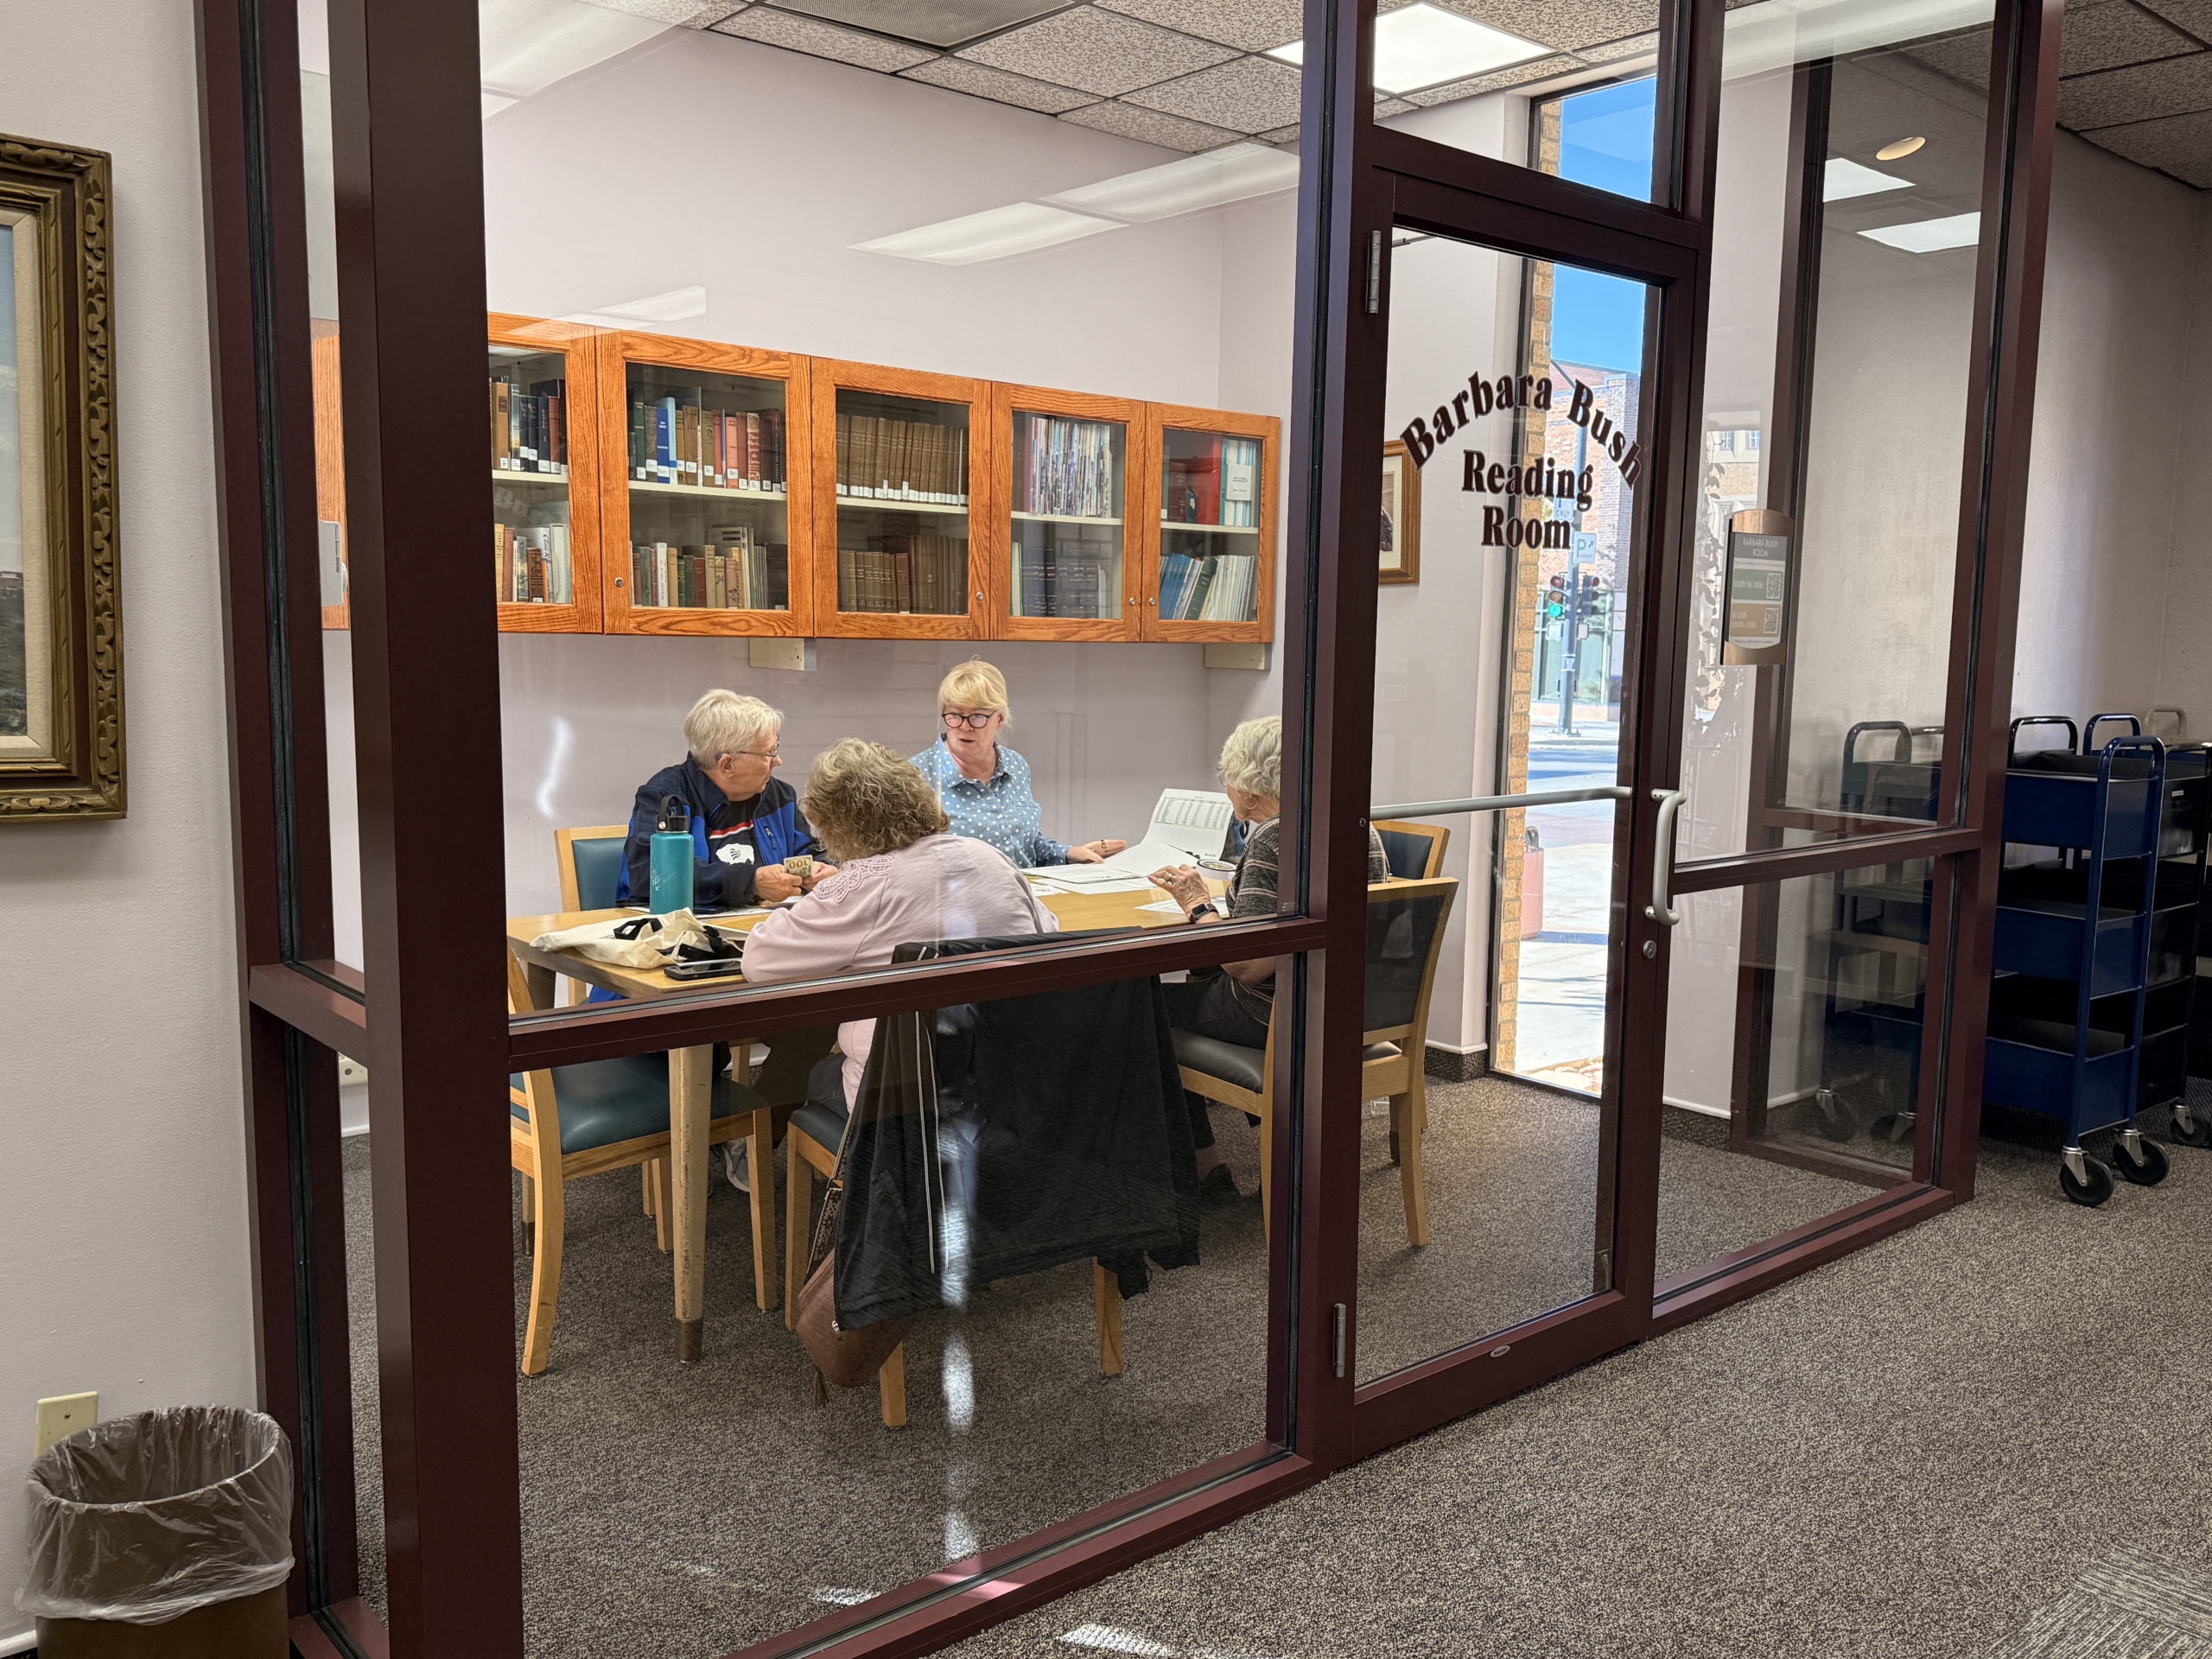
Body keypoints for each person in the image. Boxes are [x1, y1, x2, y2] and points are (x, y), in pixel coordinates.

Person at [742, 738, 1060, 1113]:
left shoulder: (865, 885)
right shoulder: (990, 857)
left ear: (836, 824)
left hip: (902, 1093)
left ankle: (828, 1163)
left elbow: (759, 962)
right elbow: (1048, 931)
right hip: (1005, 1079)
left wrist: (814, 898)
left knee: (815, 1073)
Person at [1147, 715, 1389, 1201]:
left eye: (1229, 780)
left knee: (1144, 1009)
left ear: (1251, 791)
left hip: (1277, 1014)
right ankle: (1280, 1147)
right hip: (1351, 1009)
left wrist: (1198, 906)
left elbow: (1247, 965)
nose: (1228, 791)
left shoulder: (1274, 837)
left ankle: (1203, 1168)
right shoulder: (1354, 823)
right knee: (1199, 981)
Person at [615, 690, 836, 911]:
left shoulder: (779, 796)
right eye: (768, 753)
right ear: (727, 765)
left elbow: (810, 852)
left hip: (762, 930)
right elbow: (650, 875)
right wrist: (749, 882)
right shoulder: (665, 797)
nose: (778, 761)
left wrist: (825, 868)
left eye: (776, 747)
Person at [909, 659, 1128, 869]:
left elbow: (1026, 846)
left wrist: (1069, 854)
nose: (965, 727)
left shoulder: (1015, 765)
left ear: (1000, 719)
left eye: (977, 717)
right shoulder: (915, 776)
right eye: (955, 715)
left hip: (1024, 899)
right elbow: (907, 866)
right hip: (959, 904)